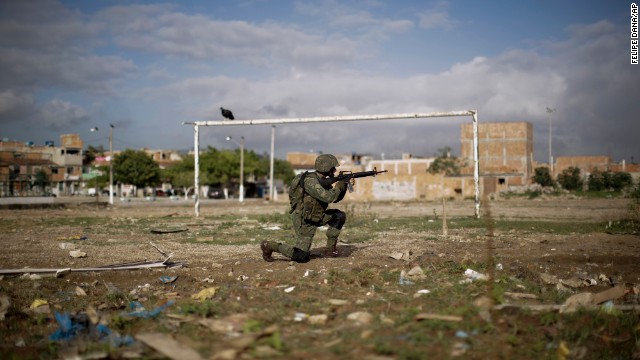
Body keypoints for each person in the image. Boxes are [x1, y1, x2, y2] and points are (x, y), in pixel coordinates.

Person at [261, 154, 351, 263]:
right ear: (326, 168)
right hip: (305, 221)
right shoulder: (310, 182)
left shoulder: (323, 180)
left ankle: (330, 250)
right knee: (302, 257)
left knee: (339, 216)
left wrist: (344, 185)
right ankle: (269, 245)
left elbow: (336, 198)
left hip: (318, 215)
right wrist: (338, 186)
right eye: (333, 167)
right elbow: (329, 197)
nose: (335, 170)